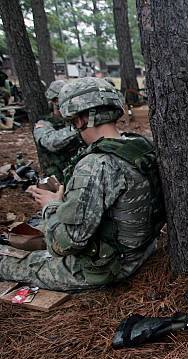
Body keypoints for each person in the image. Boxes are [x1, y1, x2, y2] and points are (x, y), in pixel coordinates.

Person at [0, 77, 165, 291]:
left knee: (16, 263)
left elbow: (66, 243)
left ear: (79, 120)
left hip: (108, 266)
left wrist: (50, 205)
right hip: (143, 249)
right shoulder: (141, 144)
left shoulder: (97, 163)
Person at [33, 80, 83, 182]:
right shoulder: (43, 123)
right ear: (55, 100)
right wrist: (76, 127)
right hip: (57, 177)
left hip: (78, 172)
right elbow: (50, 142)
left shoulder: (74, 119)